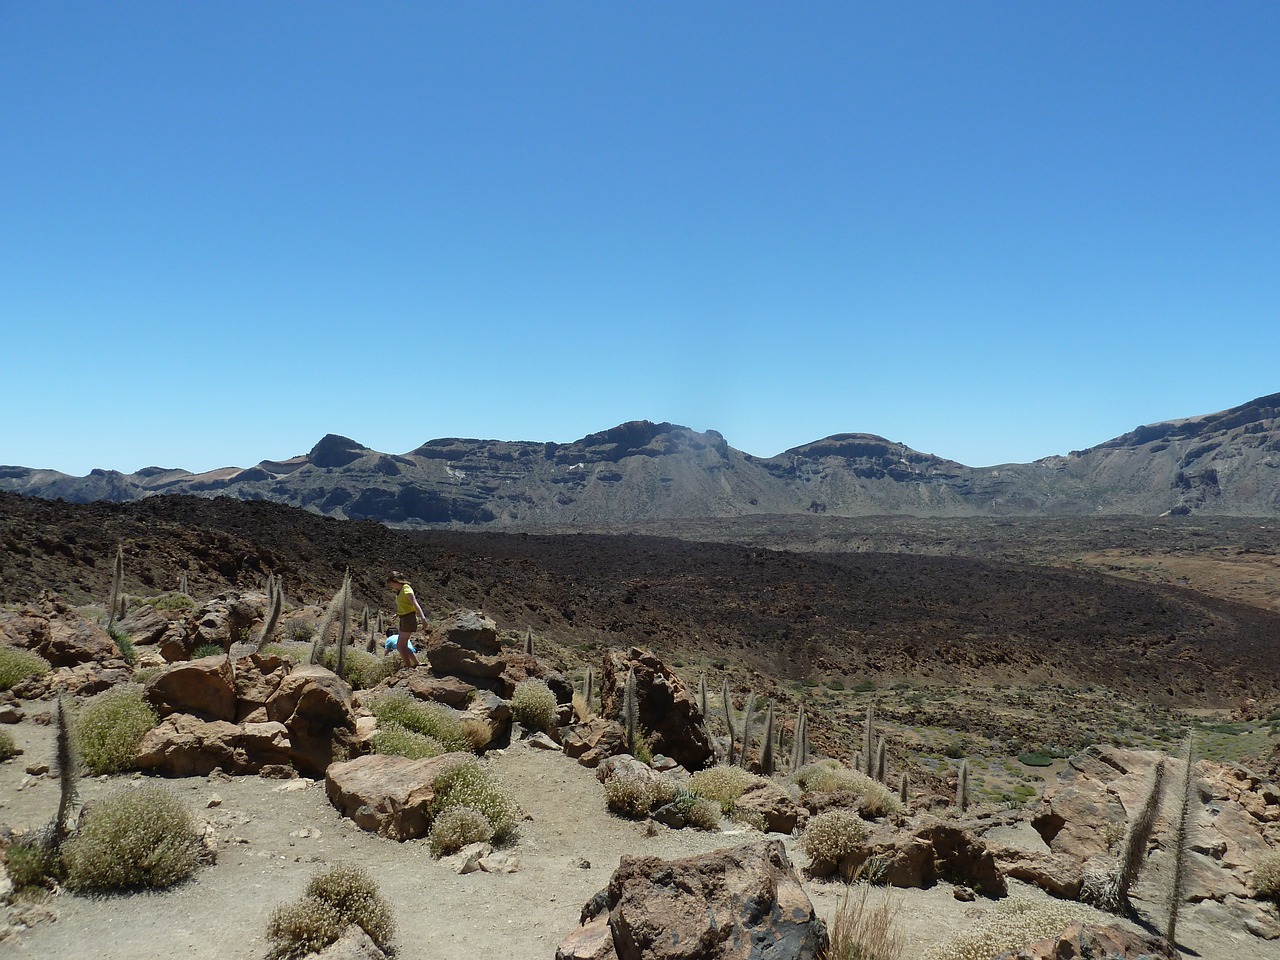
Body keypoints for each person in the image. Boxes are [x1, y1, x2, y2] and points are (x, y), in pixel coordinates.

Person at [387, 570, 427, 668]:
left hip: (409, 619)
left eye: (391, 583)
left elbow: (415, 604)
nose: (391, 586)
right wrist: (397, 614)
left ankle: (409, 667)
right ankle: (417, 663)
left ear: (395, 581)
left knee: (400, 646)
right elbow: (406, 605)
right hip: (404, 618)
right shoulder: (400, 591)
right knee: (402, 645)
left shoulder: (406, 589)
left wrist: (423, 618)